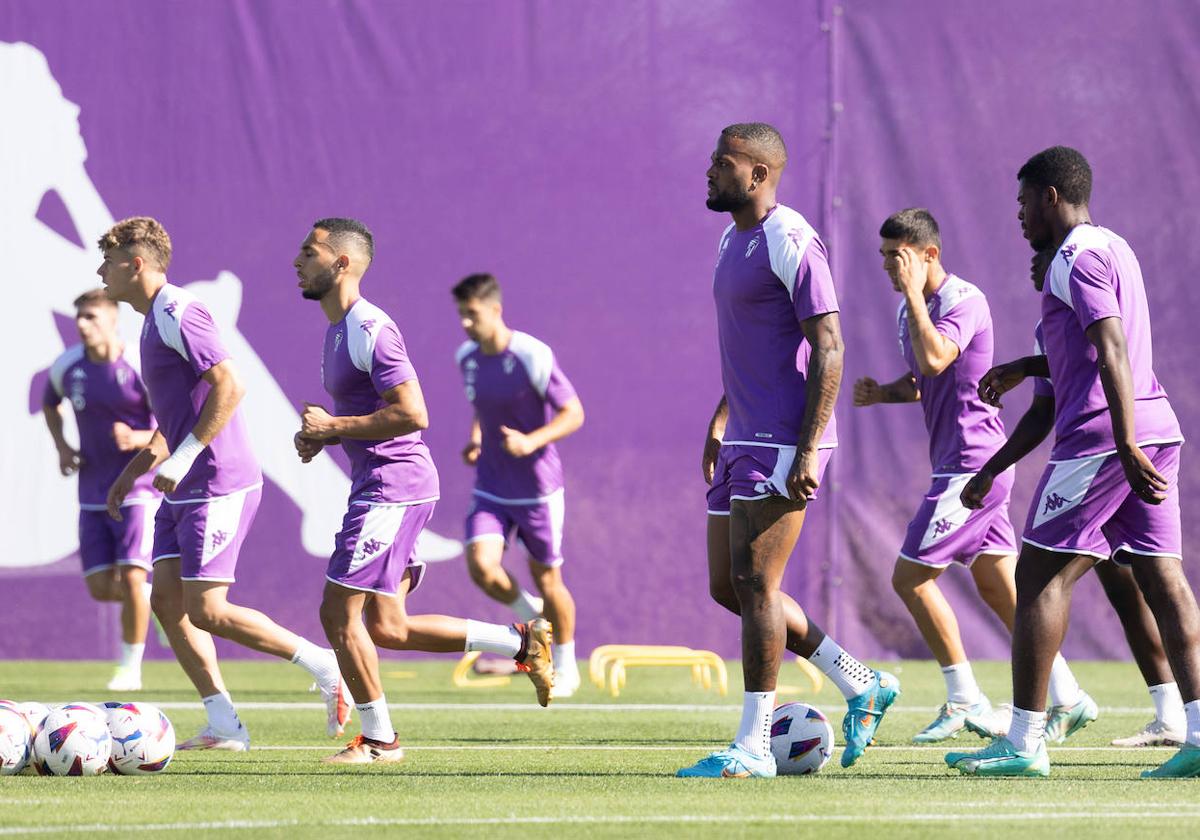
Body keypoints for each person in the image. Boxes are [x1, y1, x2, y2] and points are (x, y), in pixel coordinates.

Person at [946, 147, 1200, 778]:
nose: (1019, 214)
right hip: (1155, 426)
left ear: (1052, 197)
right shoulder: (1116, 247)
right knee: (1165, 583)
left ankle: (1024, 742)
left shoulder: (1072, 258)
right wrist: (1027, 369)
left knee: (1035, 581)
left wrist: (1123, 442)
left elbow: (1111, 348)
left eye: (1023, 201)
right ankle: (1197, 735)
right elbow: (1076, 368)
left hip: (1105, 441)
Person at [677, 123, 898, 779]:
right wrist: (720, 419)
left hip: (784, 438)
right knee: (731, 587)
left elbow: (829, 345)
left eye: (722, 162)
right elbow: (753, 348)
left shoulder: (791, 239)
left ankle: (751, 747)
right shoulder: (731, 237)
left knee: (758, 583)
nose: (710, 172)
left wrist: (806, 448)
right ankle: (861, 683)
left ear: (759, 172)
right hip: (743, 431)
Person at [292, 218, 555, 765]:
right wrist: (323, 436)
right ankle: (520, 641)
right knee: (388, 627)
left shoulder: (369, 328)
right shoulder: (337, 331)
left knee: (337, 614)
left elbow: (414, 413)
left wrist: (333, 428)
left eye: (309, 251)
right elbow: (363, 413)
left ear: (342, 263)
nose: (298, 260)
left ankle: (381, 741)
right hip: (384, 483)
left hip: (393, 488)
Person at [100, 216, 348, 751]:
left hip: (218, 480)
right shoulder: (149, 321)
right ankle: (225, 724)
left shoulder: (178, 309)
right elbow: (178, 417)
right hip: (185, 484)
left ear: (135, 264)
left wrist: (184, 457)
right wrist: (131, 475)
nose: (101, 271)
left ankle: (326, 666)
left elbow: (232, 384)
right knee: (166, 601)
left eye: (108, 261)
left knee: (207, 610)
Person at [853, 209, 1089, 743]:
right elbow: (922, 380)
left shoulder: (963, 300)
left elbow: (937, 358)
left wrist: (914, 295)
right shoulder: (908, 311)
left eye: (900, 257)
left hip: (972, 467)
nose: (890, 267)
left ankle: (964, 698)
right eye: (885, 257)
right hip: (963, 465)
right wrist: (883, 393)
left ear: (929, 255)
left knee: (909, 578)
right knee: (1000, 586)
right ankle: (1069, 696)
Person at [452, 273, 585, 697]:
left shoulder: (532, 355)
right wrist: (476, 437)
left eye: (472, 315)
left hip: (537, 490)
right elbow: (483, 406)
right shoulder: (467, 358)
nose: (466, 325)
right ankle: (534, 625)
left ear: (495, 310)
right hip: (491, 485)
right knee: (482, 568)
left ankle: (566, 666)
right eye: (461, 316)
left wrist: (531, 440)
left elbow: (573, 413)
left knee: (550, 581)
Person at [42, 289, 159, 691]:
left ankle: (130, 667)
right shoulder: (68, 366)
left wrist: (138, 437)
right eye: (79, 317)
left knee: (130, 578)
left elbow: (171, 427)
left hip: (139, 488)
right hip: (91, 488)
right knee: (101, 588)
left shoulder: (139, 366)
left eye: (91, 316)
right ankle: (149, 599)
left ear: (113, 320)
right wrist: (62, 447)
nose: (82, 324)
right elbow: (49, 402)